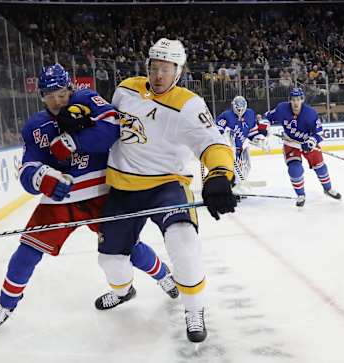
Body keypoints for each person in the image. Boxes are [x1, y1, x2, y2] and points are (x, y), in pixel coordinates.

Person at [0, 64, 178, 331]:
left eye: (61, 92)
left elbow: (113, 130)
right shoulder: (35, 127)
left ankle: (164, 276)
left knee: (126, 248)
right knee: (26, 252)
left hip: (100, 193)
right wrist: (42, 178)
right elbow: (27, 168)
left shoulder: (86, 100)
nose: (56, 99)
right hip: (61, 201)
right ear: (40, 95)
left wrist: (76, 141)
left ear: (70, 88)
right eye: (49, 94)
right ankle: (5, 305)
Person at [83, 38, 237, 343]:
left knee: (184, 241)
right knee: (110, 261)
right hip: (123, 187)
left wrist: (219, 174)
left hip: (166, 185)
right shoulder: (126, 89)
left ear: (177, 71)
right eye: (154, 68)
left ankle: (194, 308)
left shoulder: (188, 105)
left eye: (165, 70)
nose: (158, 76)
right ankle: (124, 291)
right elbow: (106, 125)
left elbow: (212, 143)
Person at [264, 88, 341, 207]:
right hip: (291, 144)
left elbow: (319, 133)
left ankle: (328, 189)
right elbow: (267, 117)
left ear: (302, 100)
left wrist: (311, 142)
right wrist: (265, 126)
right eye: (293, 99)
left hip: (308, 144)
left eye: (298, 99)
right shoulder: (282, 109)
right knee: (295, 169)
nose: (296, 102)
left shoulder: (310, 113)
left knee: (320, 167)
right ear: (289, 100)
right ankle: (301, 195)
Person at [216, 96, 269, 193]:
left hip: (243, 146)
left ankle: (239, 184)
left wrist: (260, 139)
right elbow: (218, 127)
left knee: (247, 167)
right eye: (238, 108)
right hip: (230, 148)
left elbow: (252, 131)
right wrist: (223, 134)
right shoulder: (226, 115)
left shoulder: (250, 114)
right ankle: (233, 186)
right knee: (232, 168)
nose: (240, 111)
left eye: (241, 108)